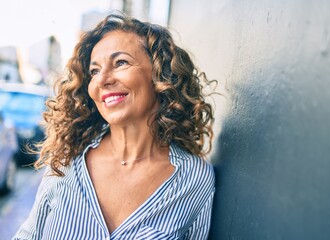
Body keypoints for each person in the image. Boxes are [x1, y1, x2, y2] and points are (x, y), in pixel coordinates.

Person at [13, 13, 216, 240]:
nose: (102, 80)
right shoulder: (67, 159)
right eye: (94, 71)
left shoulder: (194, 179)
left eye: (121, 62)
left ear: (161, 75)